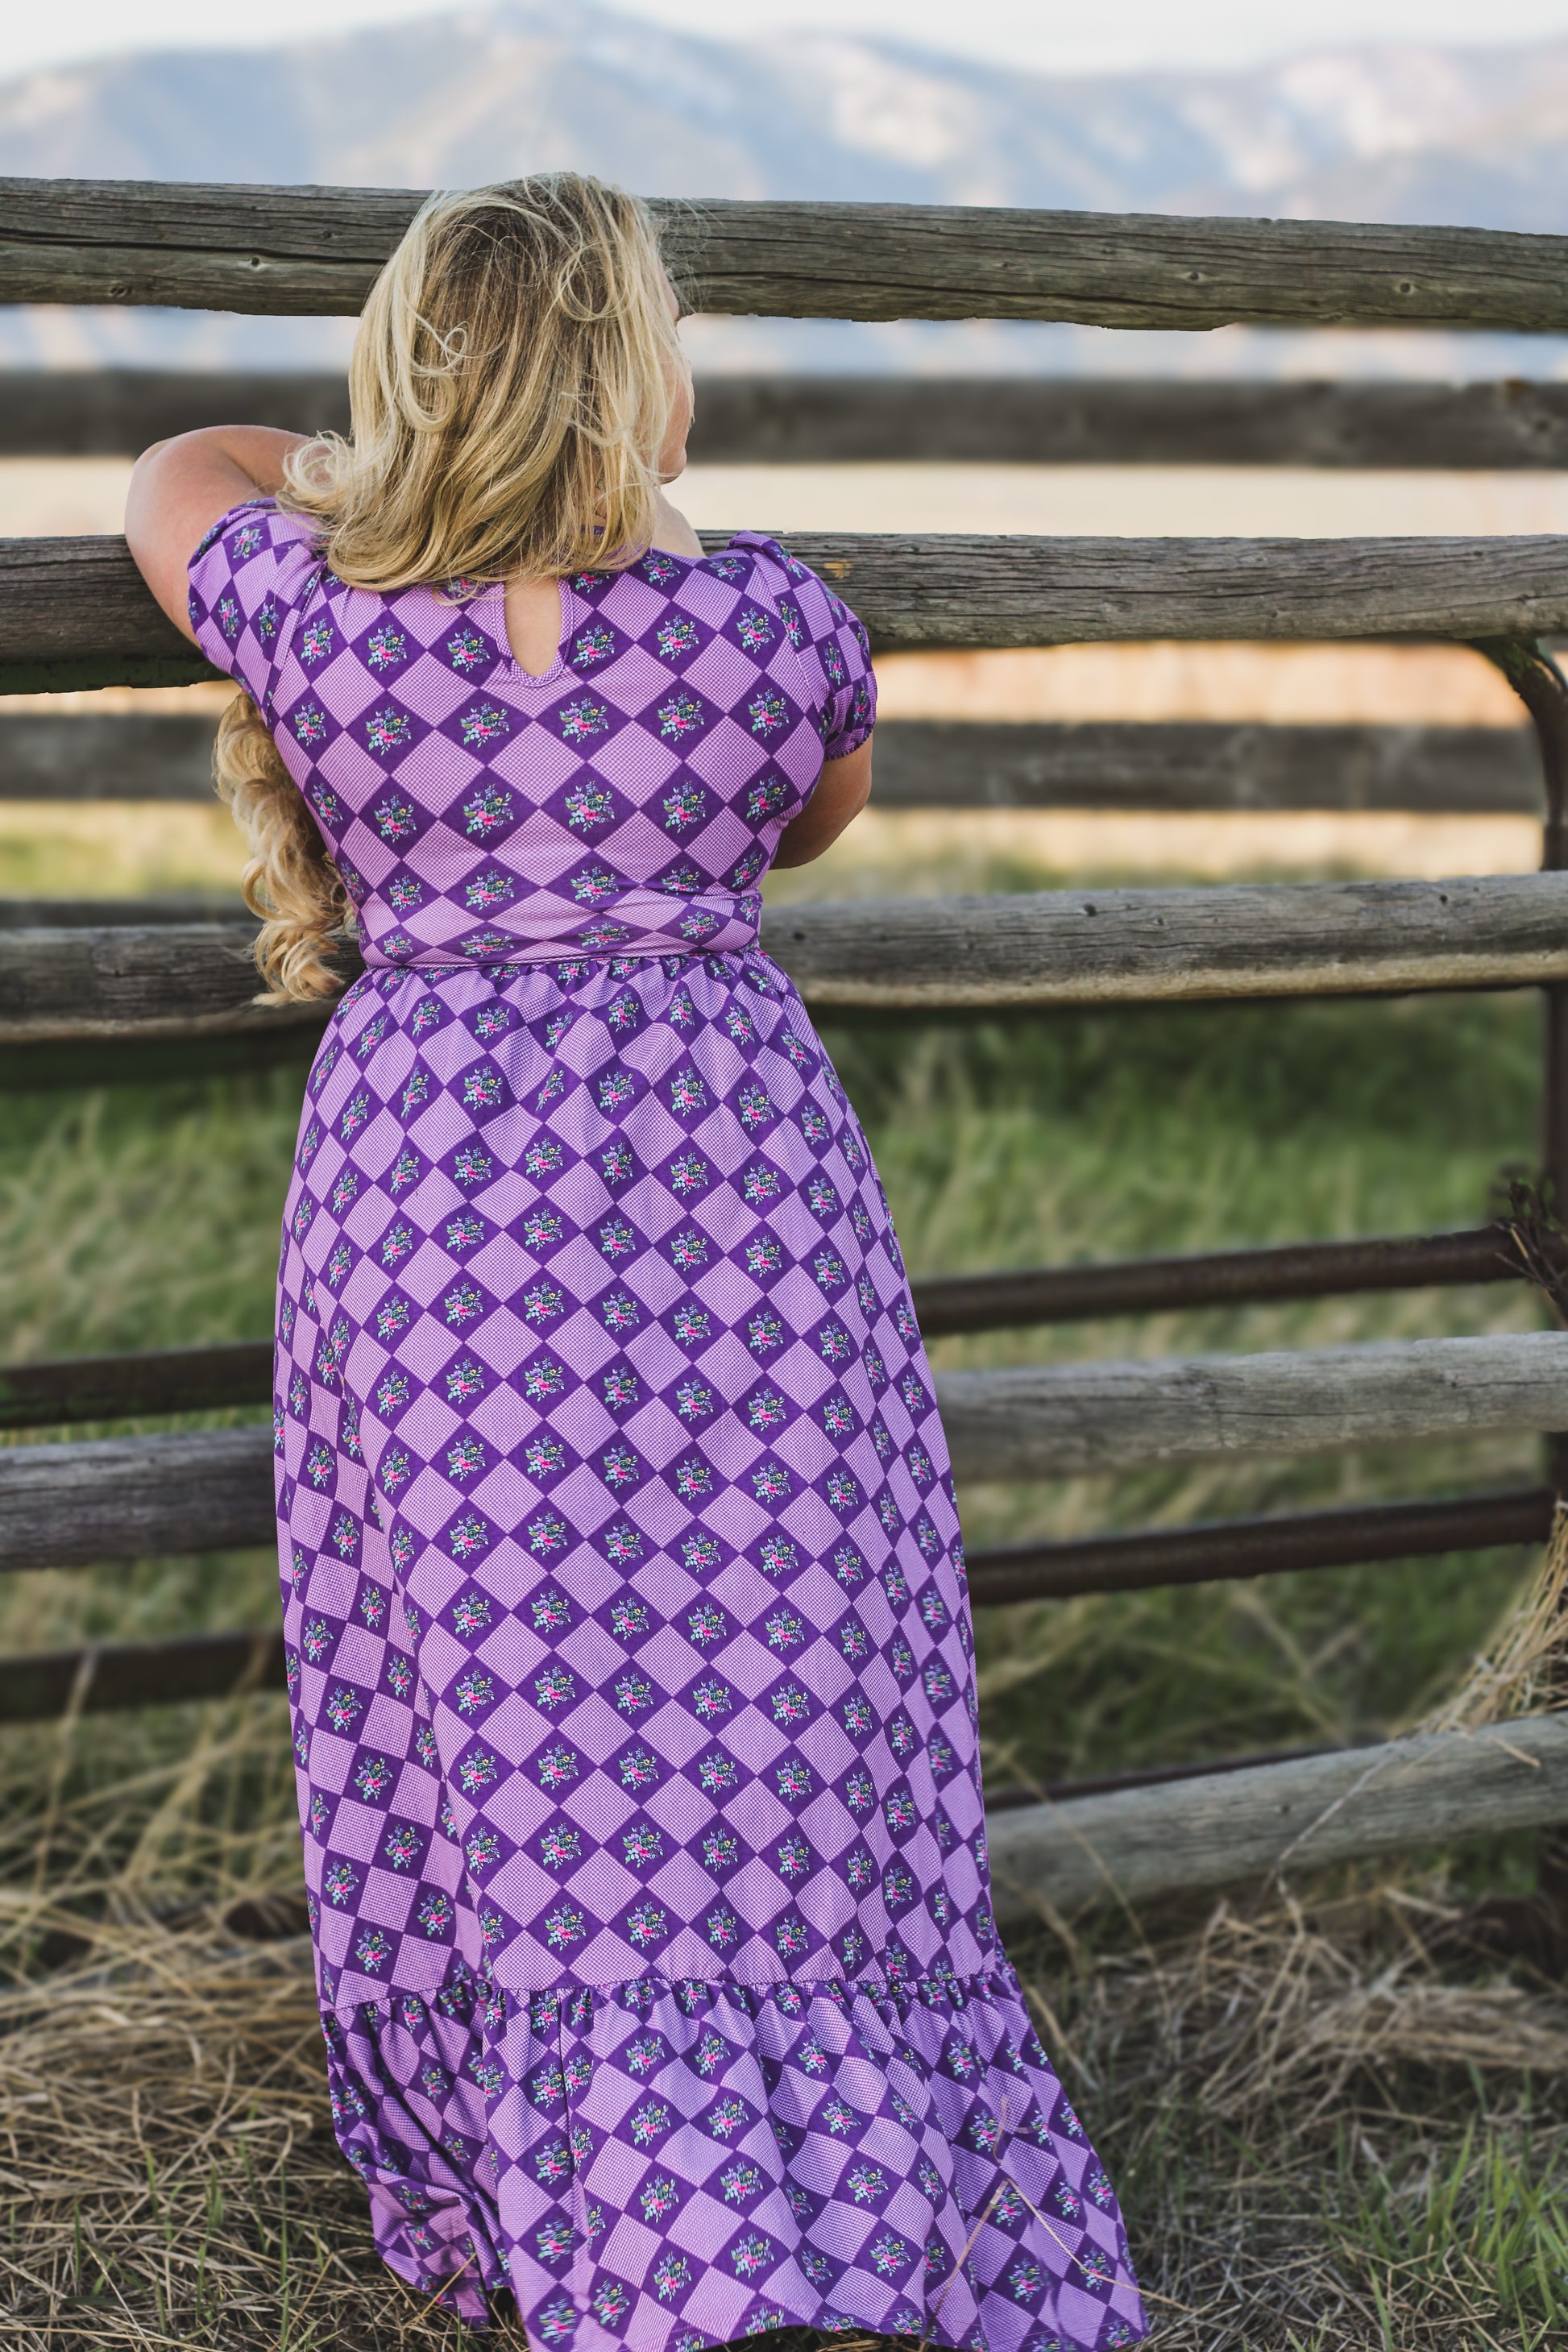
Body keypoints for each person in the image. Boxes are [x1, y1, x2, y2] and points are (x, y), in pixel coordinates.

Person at [126, 173, 1145, 2352]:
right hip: (729, 1192)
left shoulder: (319, 617)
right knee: (792, 1666)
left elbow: (173, 475)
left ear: (420, 379)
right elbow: (813, 819)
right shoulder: (770, 623)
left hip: (433, 1200)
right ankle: (835, 2187)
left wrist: (369, 479)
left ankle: (586, 2194)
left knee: (493, 1692)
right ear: (639, 381)